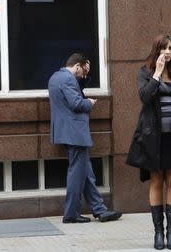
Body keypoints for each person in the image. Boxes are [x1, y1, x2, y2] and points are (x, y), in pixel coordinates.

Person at [126, 34, 171, 250]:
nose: (168, 52)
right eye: (164, 48)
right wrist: (156, 74)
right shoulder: (145, 71)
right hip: (153, 137)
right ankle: (158, 233)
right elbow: (145, 97)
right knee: (156, 180)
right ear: (156, 50)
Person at [48, 53, 122, 224]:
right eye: (83, 71)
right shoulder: (68, 79)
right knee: (77, 174)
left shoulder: (56, 77)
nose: (83, 75)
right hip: (75, 133)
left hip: (66, 132)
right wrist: (89, 103)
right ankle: (71, 214)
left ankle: (100, 210)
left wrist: (84, 78)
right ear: (77, 66)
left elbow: (72, 93)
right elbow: (76, 103)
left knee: (86, 173)